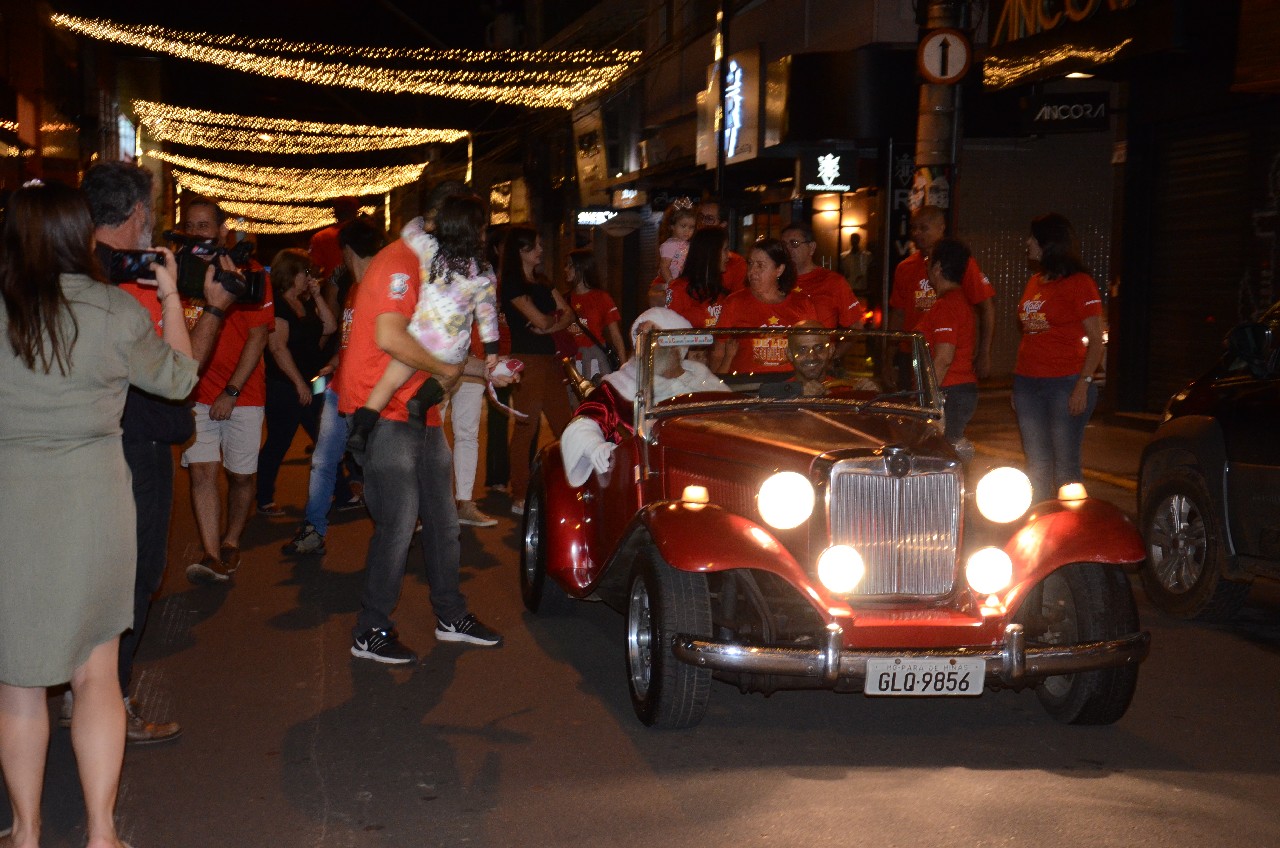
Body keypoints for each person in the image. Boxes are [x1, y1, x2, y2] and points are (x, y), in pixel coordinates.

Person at [0, 179, 198, 848]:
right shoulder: (116, 310)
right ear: (78, 235)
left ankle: (25, 833)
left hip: (11, 506)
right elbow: (179, 378)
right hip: (93, 504)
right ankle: (102, 833)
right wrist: (170, 294)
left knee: (20, 683)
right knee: (96, 675)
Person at [80, 161, 233, 744]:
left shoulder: (68, 270)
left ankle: (81, 693)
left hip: (80, 448)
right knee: (134, 578)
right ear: (139, 214)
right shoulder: (129, 290)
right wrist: (211, 309)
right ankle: (108, 701)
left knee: (88, 578)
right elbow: (177, 375)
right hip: (135, 446)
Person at [335, 191, 515, 664]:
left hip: (419, 408)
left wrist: (485, 370)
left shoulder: (439, 261)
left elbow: (446, 346)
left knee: (442, 521)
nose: (480, 238)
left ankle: (450, 616)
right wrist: (455, 370)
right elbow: (390, 337)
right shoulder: (401, 262)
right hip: (386, 405)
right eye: (476, 228)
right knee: (398, 524)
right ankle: (369, 630)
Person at [344, 194, 500, 453]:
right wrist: (492, 350)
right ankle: (422, 401)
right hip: (452, 341)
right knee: (451, 368)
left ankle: (363, 424)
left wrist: (423, 220)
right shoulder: (482, 271)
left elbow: (411, 233)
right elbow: (487, 314)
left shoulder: (431, 251)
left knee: (389, 381)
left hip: (422, 334)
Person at [182, 200, 276, 585]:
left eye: (204, 224)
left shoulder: (249, 274)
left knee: (240, 477)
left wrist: (232, 391)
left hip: (243, 394)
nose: (197, 232)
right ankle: (211, 553)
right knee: (203, 472)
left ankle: (231, 539)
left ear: (222, 230)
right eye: (190, 225)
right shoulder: (180, 271)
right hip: (194, 394)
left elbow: (257, 339)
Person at [283, 218, 384, 556]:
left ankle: (396, 526)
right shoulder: (354, 289)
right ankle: (313, 529)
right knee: (324, 462)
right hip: (338, 390)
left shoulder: (385, 290)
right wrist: (336, 364)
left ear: (347, 250)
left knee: (373, 467)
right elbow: (351, 341)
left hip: (369, 396)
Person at [560, 308, 729, 487]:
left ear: (675, 345)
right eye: (640, 335)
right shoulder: (618, 385)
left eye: (652, 334)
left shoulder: (700, 377)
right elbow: (583, 422)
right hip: (645, 481)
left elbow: (731, 417)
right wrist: (594, 446)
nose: (643, 342)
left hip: (711, 472)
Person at [1013, 213, 1105, 503]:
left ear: (1047, 244)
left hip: (1065, 383)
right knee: (1036, 464)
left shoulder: (1080, 283)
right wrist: (1018, 387)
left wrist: (1083, 384)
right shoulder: (1035, 282)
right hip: (1028, 383)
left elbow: (1096, 340)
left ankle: (1072, 535)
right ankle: (1038, 527)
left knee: (1066, 469)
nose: (1028, 243)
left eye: (1033, 238)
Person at [255, 249, 338, 515]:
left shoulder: (304, 302)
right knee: (279, 441)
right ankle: (263, 497)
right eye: (305, 272)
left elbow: (330, 327)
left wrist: (316, 296)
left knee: (324, 435)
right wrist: (298, 384)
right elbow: (278, 348)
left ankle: (344, 491)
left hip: (311, 382)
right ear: (292, 273)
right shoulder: (279, 305)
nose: (309, 277)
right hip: (286, 386)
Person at [501, 225, 576, 515]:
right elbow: (544, 322)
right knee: (526, 428)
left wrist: (550, 325)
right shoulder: (512, 286)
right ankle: (518, 491)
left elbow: (567, 315)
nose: (541, 250)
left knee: (565, 424)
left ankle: (572, 484)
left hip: (550, 359)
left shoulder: (543, 281)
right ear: (521, 251)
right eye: (535, 246)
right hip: (527, 361)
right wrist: (551, 324)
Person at [888, 205, 996, 380]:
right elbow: (898, 313)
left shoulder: (960, 263)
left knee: (935, 401)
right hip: (911, 353)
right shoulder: (905, 268)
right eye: (913, 228)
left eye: (924, 228)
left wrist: (984, 353)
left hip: (947, 354)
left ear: (941, 228)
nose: (916, 233)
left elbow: (987, 306)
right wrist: (890, 355)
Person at [711, 237, 818, 374]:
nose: (752, 271)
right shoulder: (735, 302)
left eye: (760, 265)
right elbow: (718, 353)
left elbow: (814, 351)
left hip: (790, 386)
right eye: (750, 264)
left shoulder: (802, 303)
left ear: (779, 269)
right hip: (746, 386)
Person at [915, 238, 979, 454]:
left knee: (943, 452)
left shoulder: (947, 306)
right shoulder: (957, 301)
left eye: (929, 260)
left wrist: (929, 399)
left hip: (950, 390)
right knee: (946, 448)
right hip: (958, 389)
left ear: (938, 267)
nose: (926, 265)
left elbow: (944, 358)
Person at [781, 223, 865, 330]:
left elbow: (856, 326)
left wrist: (835, 347)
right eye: (783, 245)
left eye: (794, 243)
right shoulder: (775, 280)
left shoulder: (833, 282)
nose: (787, 249)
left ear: (811, 247)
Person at [566, 248, 626, 381]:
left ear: (582, 267)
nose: (566, 269)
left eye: (570, 265)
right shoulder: (565, 300)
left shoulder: (601, 297)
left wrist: (624, 368)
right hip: (573, 362)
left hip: (596, 362)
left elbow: (615, 335)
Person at [665, 227, 730, 329]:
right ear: (711, 253)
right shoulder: (679, 290)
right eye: (725, 250)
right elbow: (670, 332)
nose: (728, 255)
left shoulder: (719, 289)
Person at [648, 198, 697, 306]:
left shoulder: (689, 245)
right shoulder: (670, 245)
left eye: (691, 227)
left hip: (682, 283)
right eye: (683, 226)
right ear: (672, 226)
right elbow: (664, 266)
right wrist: (671, 282)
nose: (687, 231)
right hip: (670, 284)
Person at [696, 198, 748, 293]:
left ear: (722, 224)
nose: (702, 223)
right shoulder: (683, 253)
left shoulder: (736, 263)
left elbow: (739, 300)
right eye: (700, 217)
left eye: (709, 219)